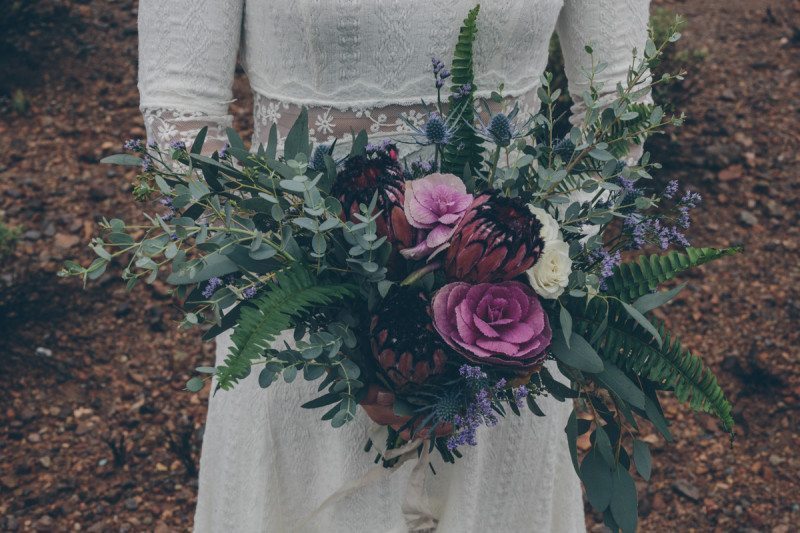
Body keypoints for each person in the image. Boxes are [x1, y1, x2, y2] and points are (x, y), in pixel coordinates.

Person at [138, 1, 651, 531]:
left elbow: (618, 107)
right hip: (304, 331)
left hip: (500, 336)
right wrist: (349, 331)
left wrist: (537, 274)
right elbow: (182, 118)